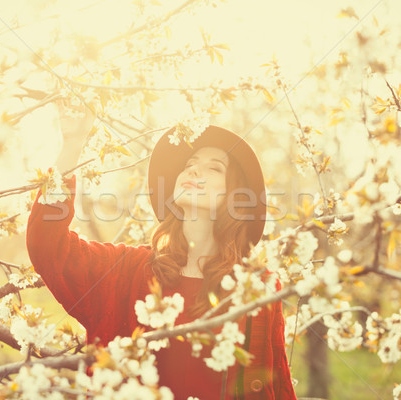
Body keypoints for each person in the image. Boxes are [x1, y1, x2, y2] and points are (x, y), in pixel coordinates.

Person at [26, 125, 297, 399]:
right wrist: (73, 142)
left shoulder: (257, 286)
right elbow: (47, 245)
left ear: (236, 195)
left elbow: (275, 385)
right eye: (190, 164)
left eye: (214, 168)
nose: (192, 171)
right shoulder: (123, 270)